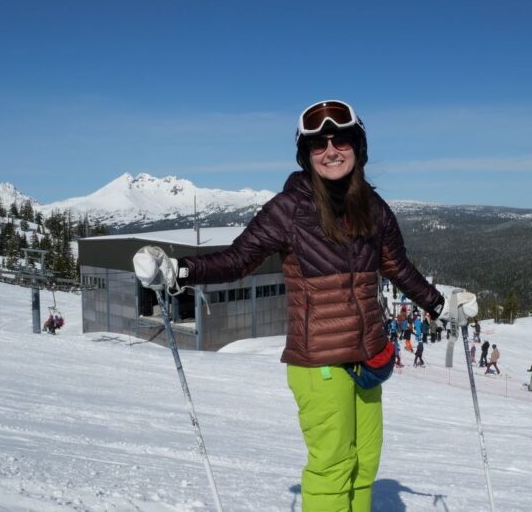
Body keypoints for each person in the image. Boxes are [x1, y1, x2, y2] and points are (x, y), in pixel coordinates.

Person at [172, 100, 448, 511]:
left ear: (358, 147)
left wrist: (440, 304)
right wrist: (180, 270)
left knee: (365, 463)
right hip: (319, 360)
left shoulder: (373, 208)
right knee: (333, 465)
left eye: (342, 140)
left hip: (368, 357)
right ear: (306, 154)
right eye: (319, 144)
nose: (331, 151)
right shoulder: (289, 209)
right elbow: (237, 260)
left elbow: (397, 267)